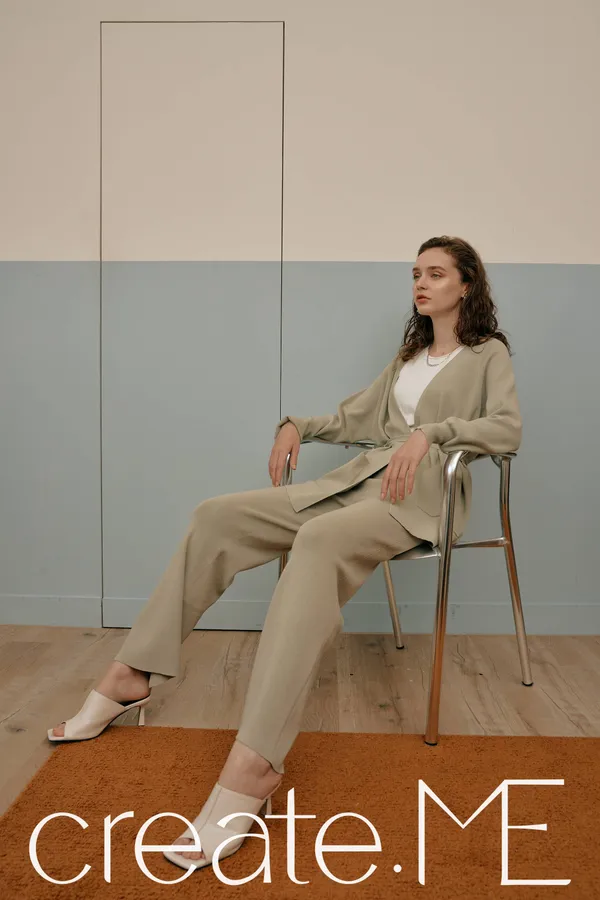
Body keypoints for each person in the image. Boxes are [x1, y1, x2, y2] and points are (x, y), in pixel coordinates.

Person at [47, 235, 522, 871]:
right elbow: (357, 418)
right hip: (356, 487)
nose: (421, 283)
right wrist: (299, 424)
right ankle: (132, 672)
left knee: (317, 540)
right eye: (416, 273)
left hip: (422, 500)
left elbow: (507, 428)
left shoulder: (488, 354)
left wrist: (432, 434)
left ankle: (256, 763)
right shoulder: (409, 356)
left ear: (466, 285)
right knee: (216, 516)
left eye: (436, 273)